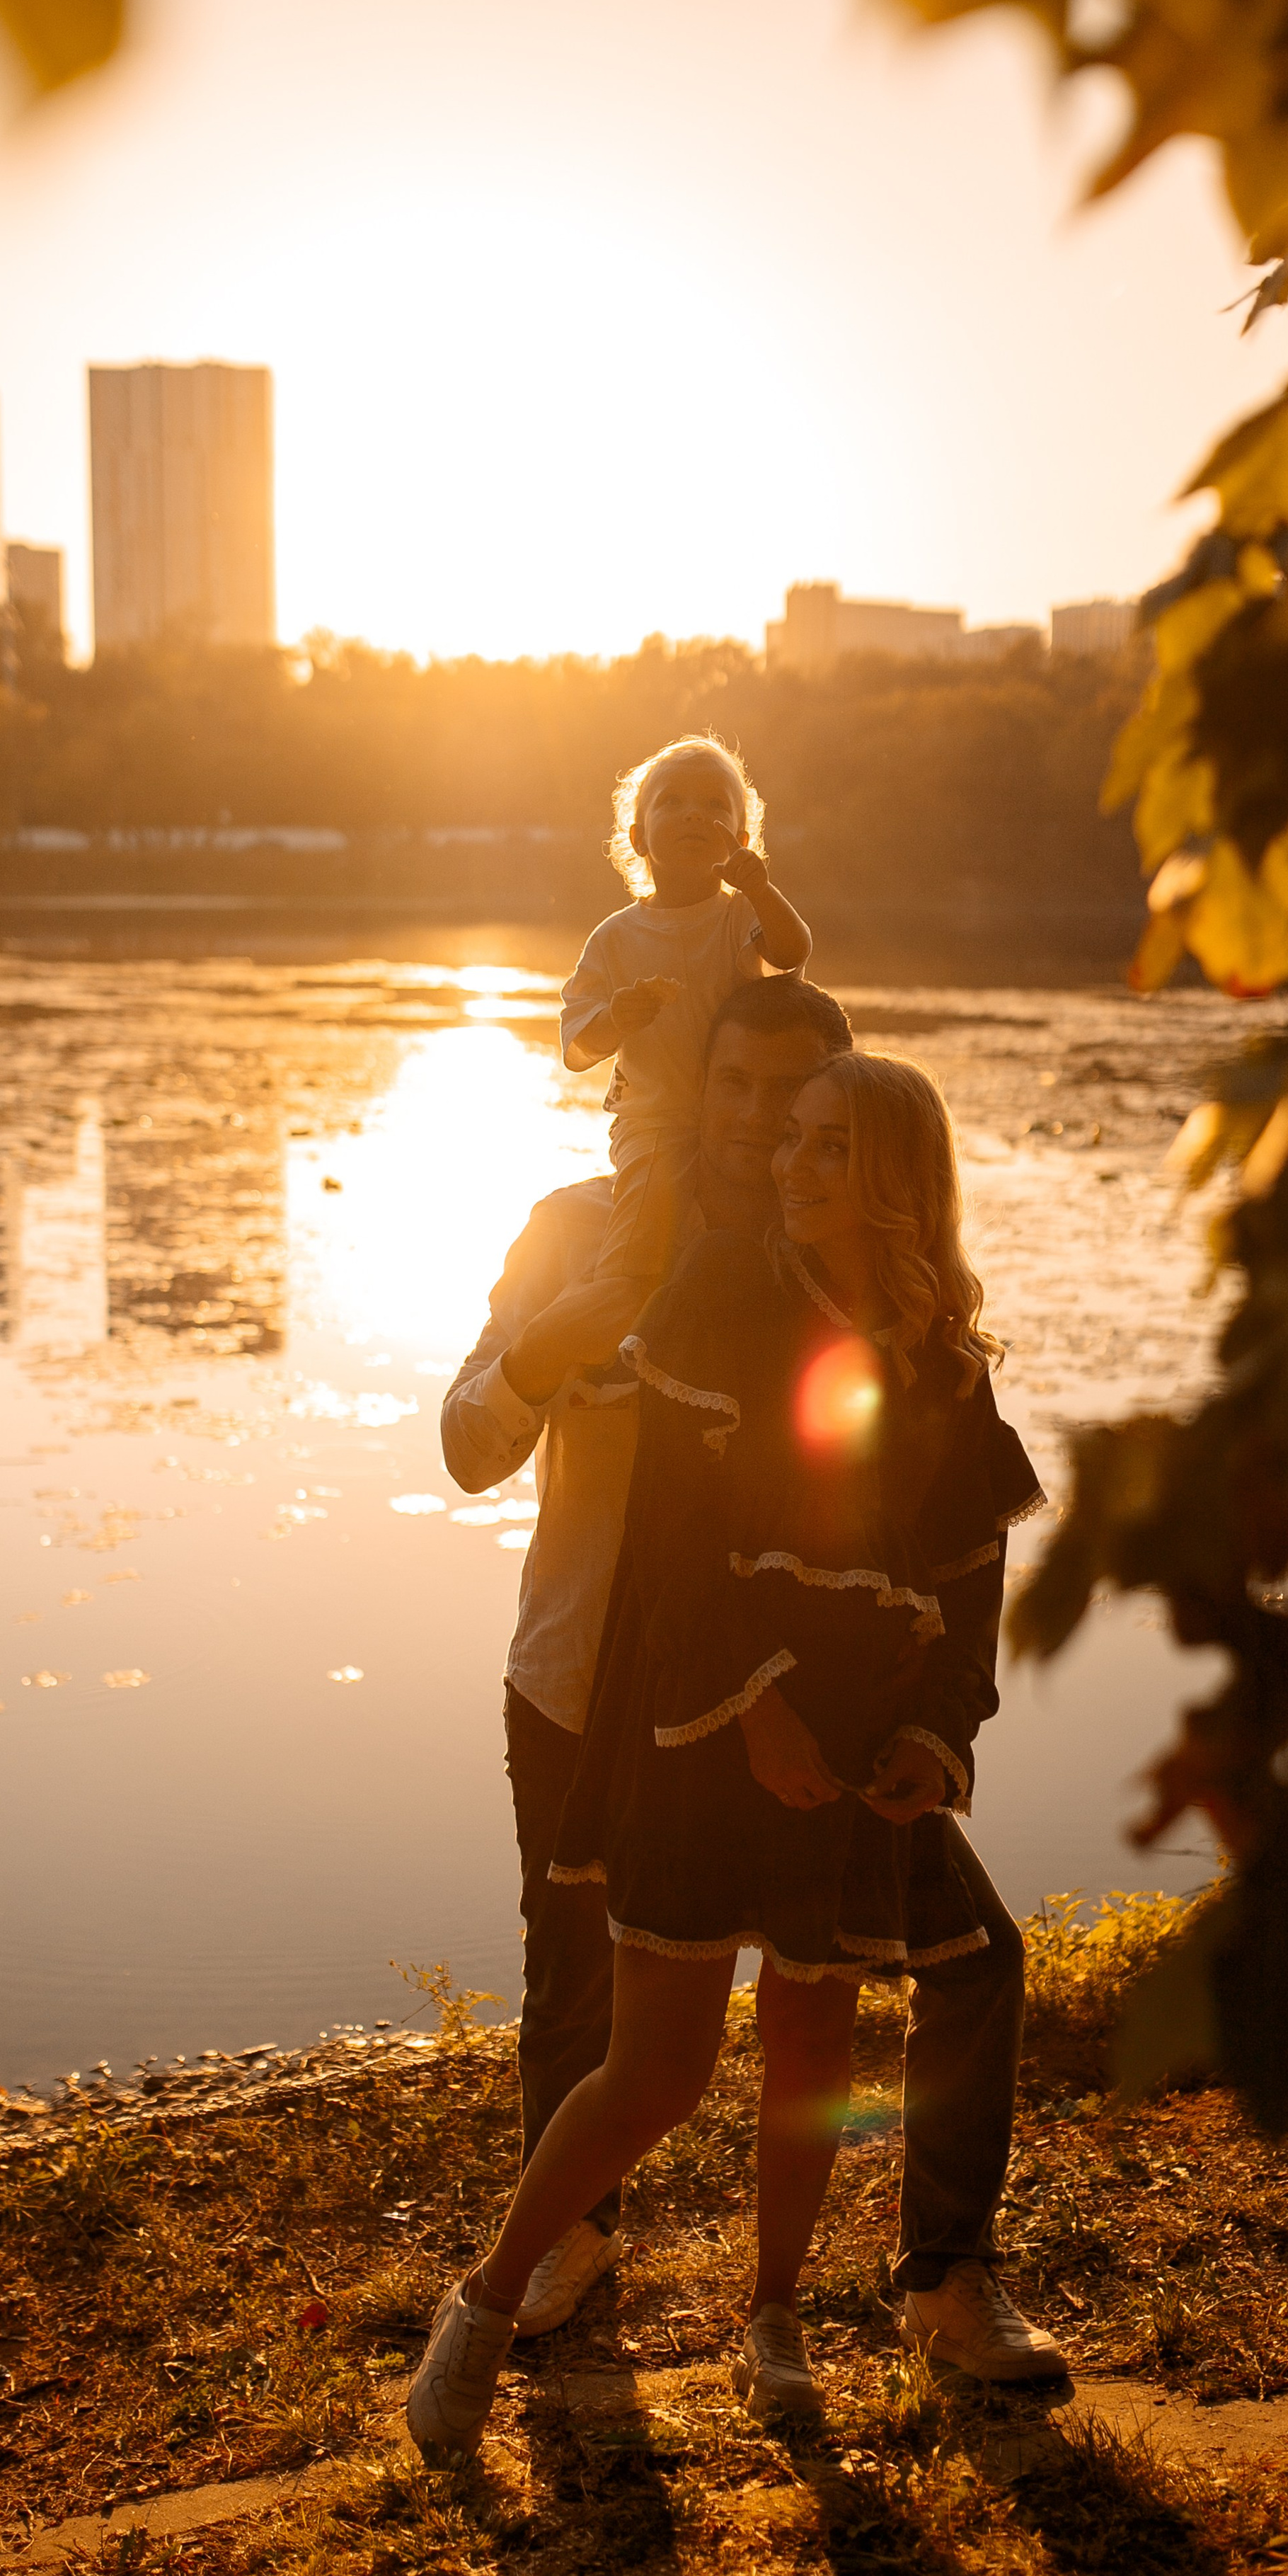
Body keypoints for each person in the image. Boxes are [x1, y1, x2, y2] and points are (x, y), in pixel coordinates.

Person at [416, 1050, 1063, 2461]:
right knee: (655, 2069)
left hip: (855, 1745)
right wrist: (754, 1706)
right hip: (707, 1732)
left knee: (822, 2038)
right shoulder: (717, 1294)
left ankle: (779, 2317)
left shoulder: (944, 1362)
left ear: (897, 1177)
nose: (788, 1164)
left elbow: (969, 1578)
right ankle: (483, 2297)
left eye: (826, 1147)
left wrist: (927, 1735)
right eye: (787, 1139)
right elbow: (673, 1545)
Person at [441, 975, 853, 2336]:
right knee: (573, 1983)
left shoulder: (836, 1240)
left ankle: (810, 2298)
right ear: (693, 1083)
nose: (754, 1118)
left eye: (790, 1093)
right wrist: (562, 1342)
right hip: (579, 1677)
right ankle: (570, 2246)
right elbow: (464, 1447)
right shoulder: (576, 1227)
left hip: (772, 1693)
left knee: (807, 1988)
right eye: (731, 1083)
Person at [560, 733, 812, 1288]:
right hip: (657, 1119)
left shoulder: (740, 914)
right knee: (645, 1235)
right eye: (671, 802)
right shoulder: (614, 939)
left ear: (740, 841)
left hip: (745, 1114)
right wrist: (616, 1019)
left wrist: (763, 891)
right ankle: (616, 1304)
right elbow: (577, 1048)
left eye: (715, 805)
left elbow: (793, 953)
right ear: (638, 836)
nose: (694, 815)